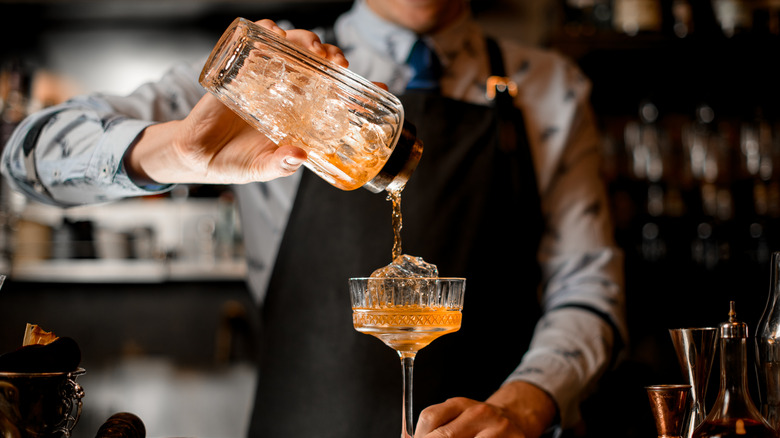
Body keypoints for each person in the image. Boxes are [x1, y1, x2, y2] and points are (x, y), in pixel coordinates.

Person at [1, 0, 627, 437]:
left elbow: (589, 291)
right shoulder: (271, 71)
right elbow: (26, 157)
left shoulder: (550, 88)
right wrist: (178, 150)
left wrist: (524, 407)